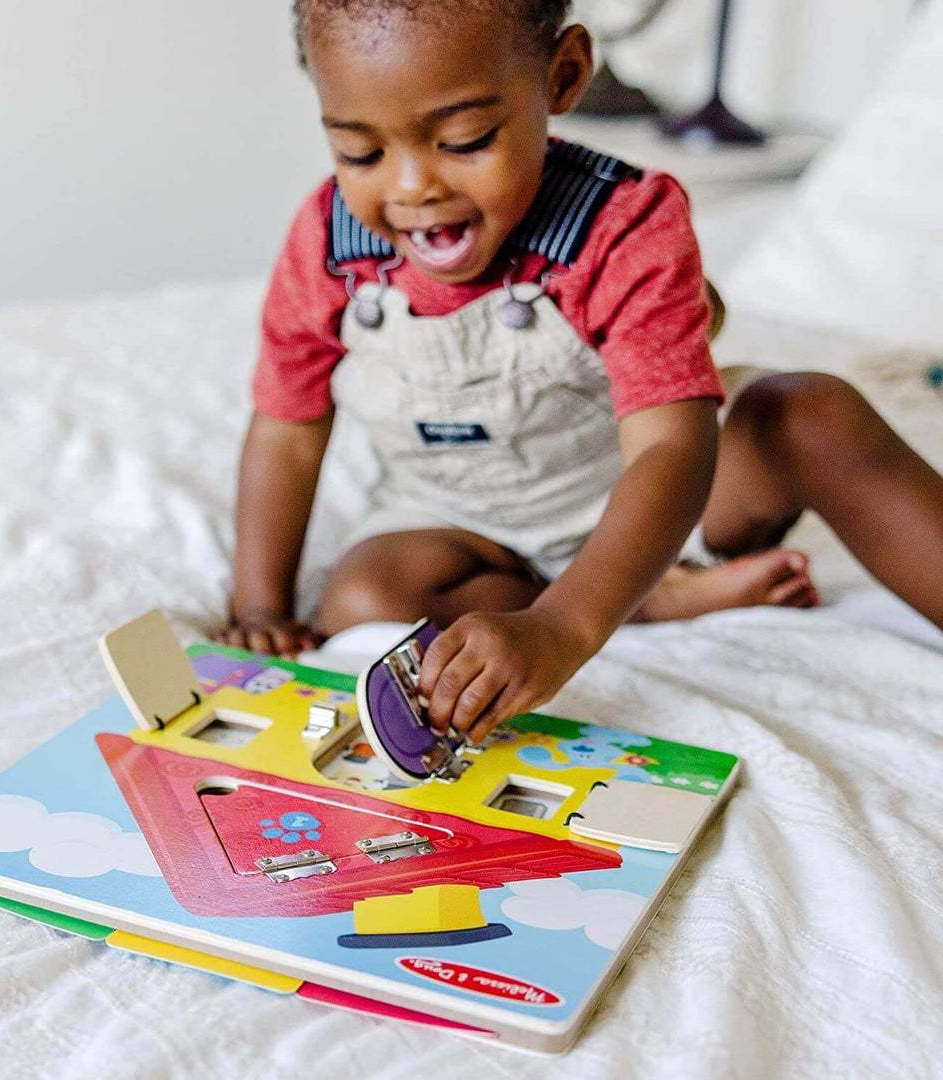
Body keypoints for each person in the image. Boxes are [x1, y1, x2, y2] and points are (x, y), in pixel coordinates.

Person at [225, 0, 943, 744]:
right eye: (361, 153)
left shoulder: (623, 225)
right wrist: (257, 608)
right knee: (363, 600)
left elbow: (671, 448)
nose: (411, 188)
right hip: (458, 513)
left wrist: (562, 627)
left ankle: (629, 583)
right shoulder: (330, 244)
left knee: (811, 415)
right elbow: (287, 431)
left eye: (465, 139)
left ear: (562, 76)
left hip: (651, 490)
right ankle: (649, 599)